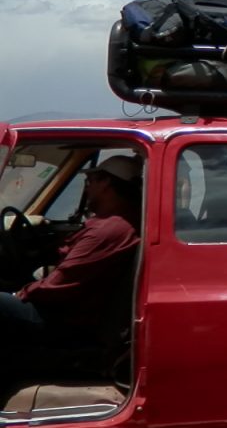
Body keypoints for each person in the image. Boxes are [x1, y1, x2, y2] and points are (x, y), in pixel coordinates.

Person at [1, 155, 143, 389]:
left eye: (91, 181)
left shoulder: (109, 230)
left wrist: (21, 294)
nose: (87, 188)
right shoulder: (114, 223)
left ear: (106, 183)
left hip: (63, 319)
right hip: (69, 310)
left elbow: (57, 286)